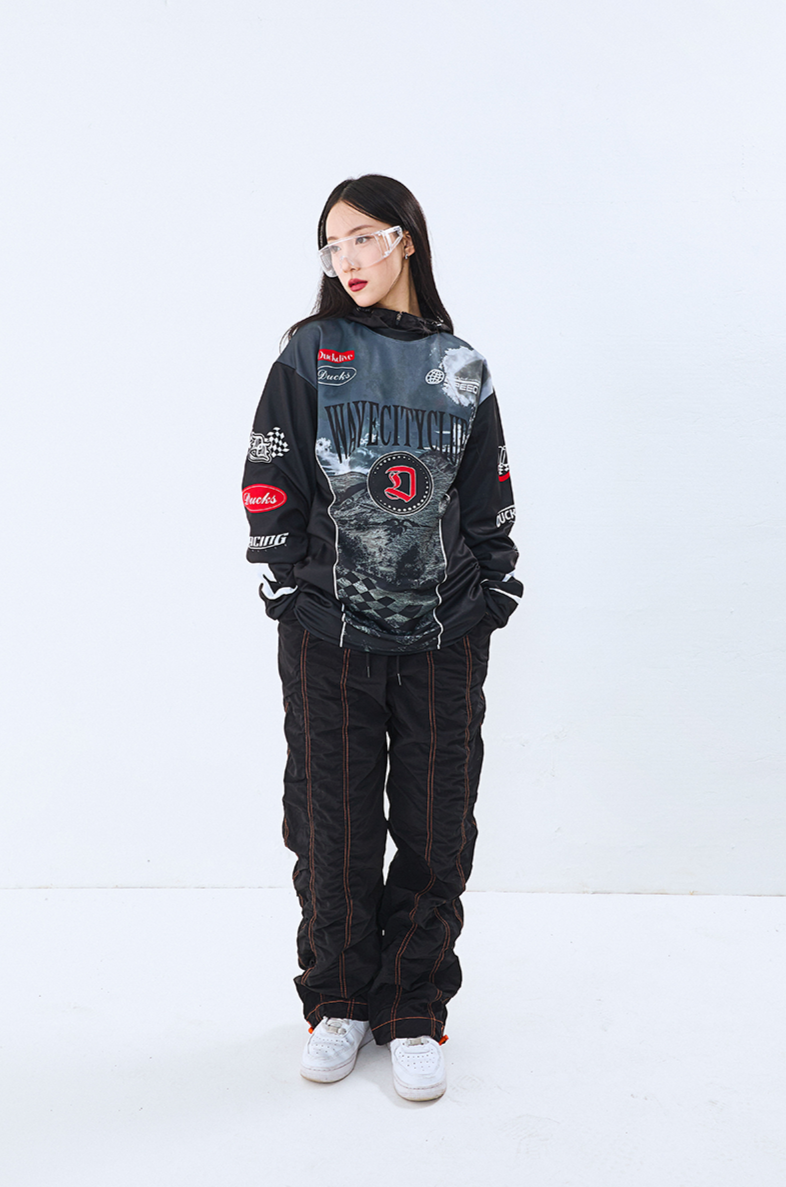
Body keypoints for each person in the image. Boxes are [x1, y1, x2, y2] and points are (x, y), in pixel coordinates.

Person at [242, 174, 522, 1101]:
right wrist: (290, 584)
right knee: (332, 820)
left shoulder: (461, 366)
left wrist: (494, 587)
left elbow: (487, 493)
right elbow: (271, 471)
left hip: (443, 631)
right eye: (334, 245)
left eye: (364, 237)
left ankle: (412, 1004)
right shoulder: (312, 354)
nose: (348, 260)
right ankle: (338, 1001)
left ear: (406, 239)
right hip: (330, 631)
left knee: (437, 823)